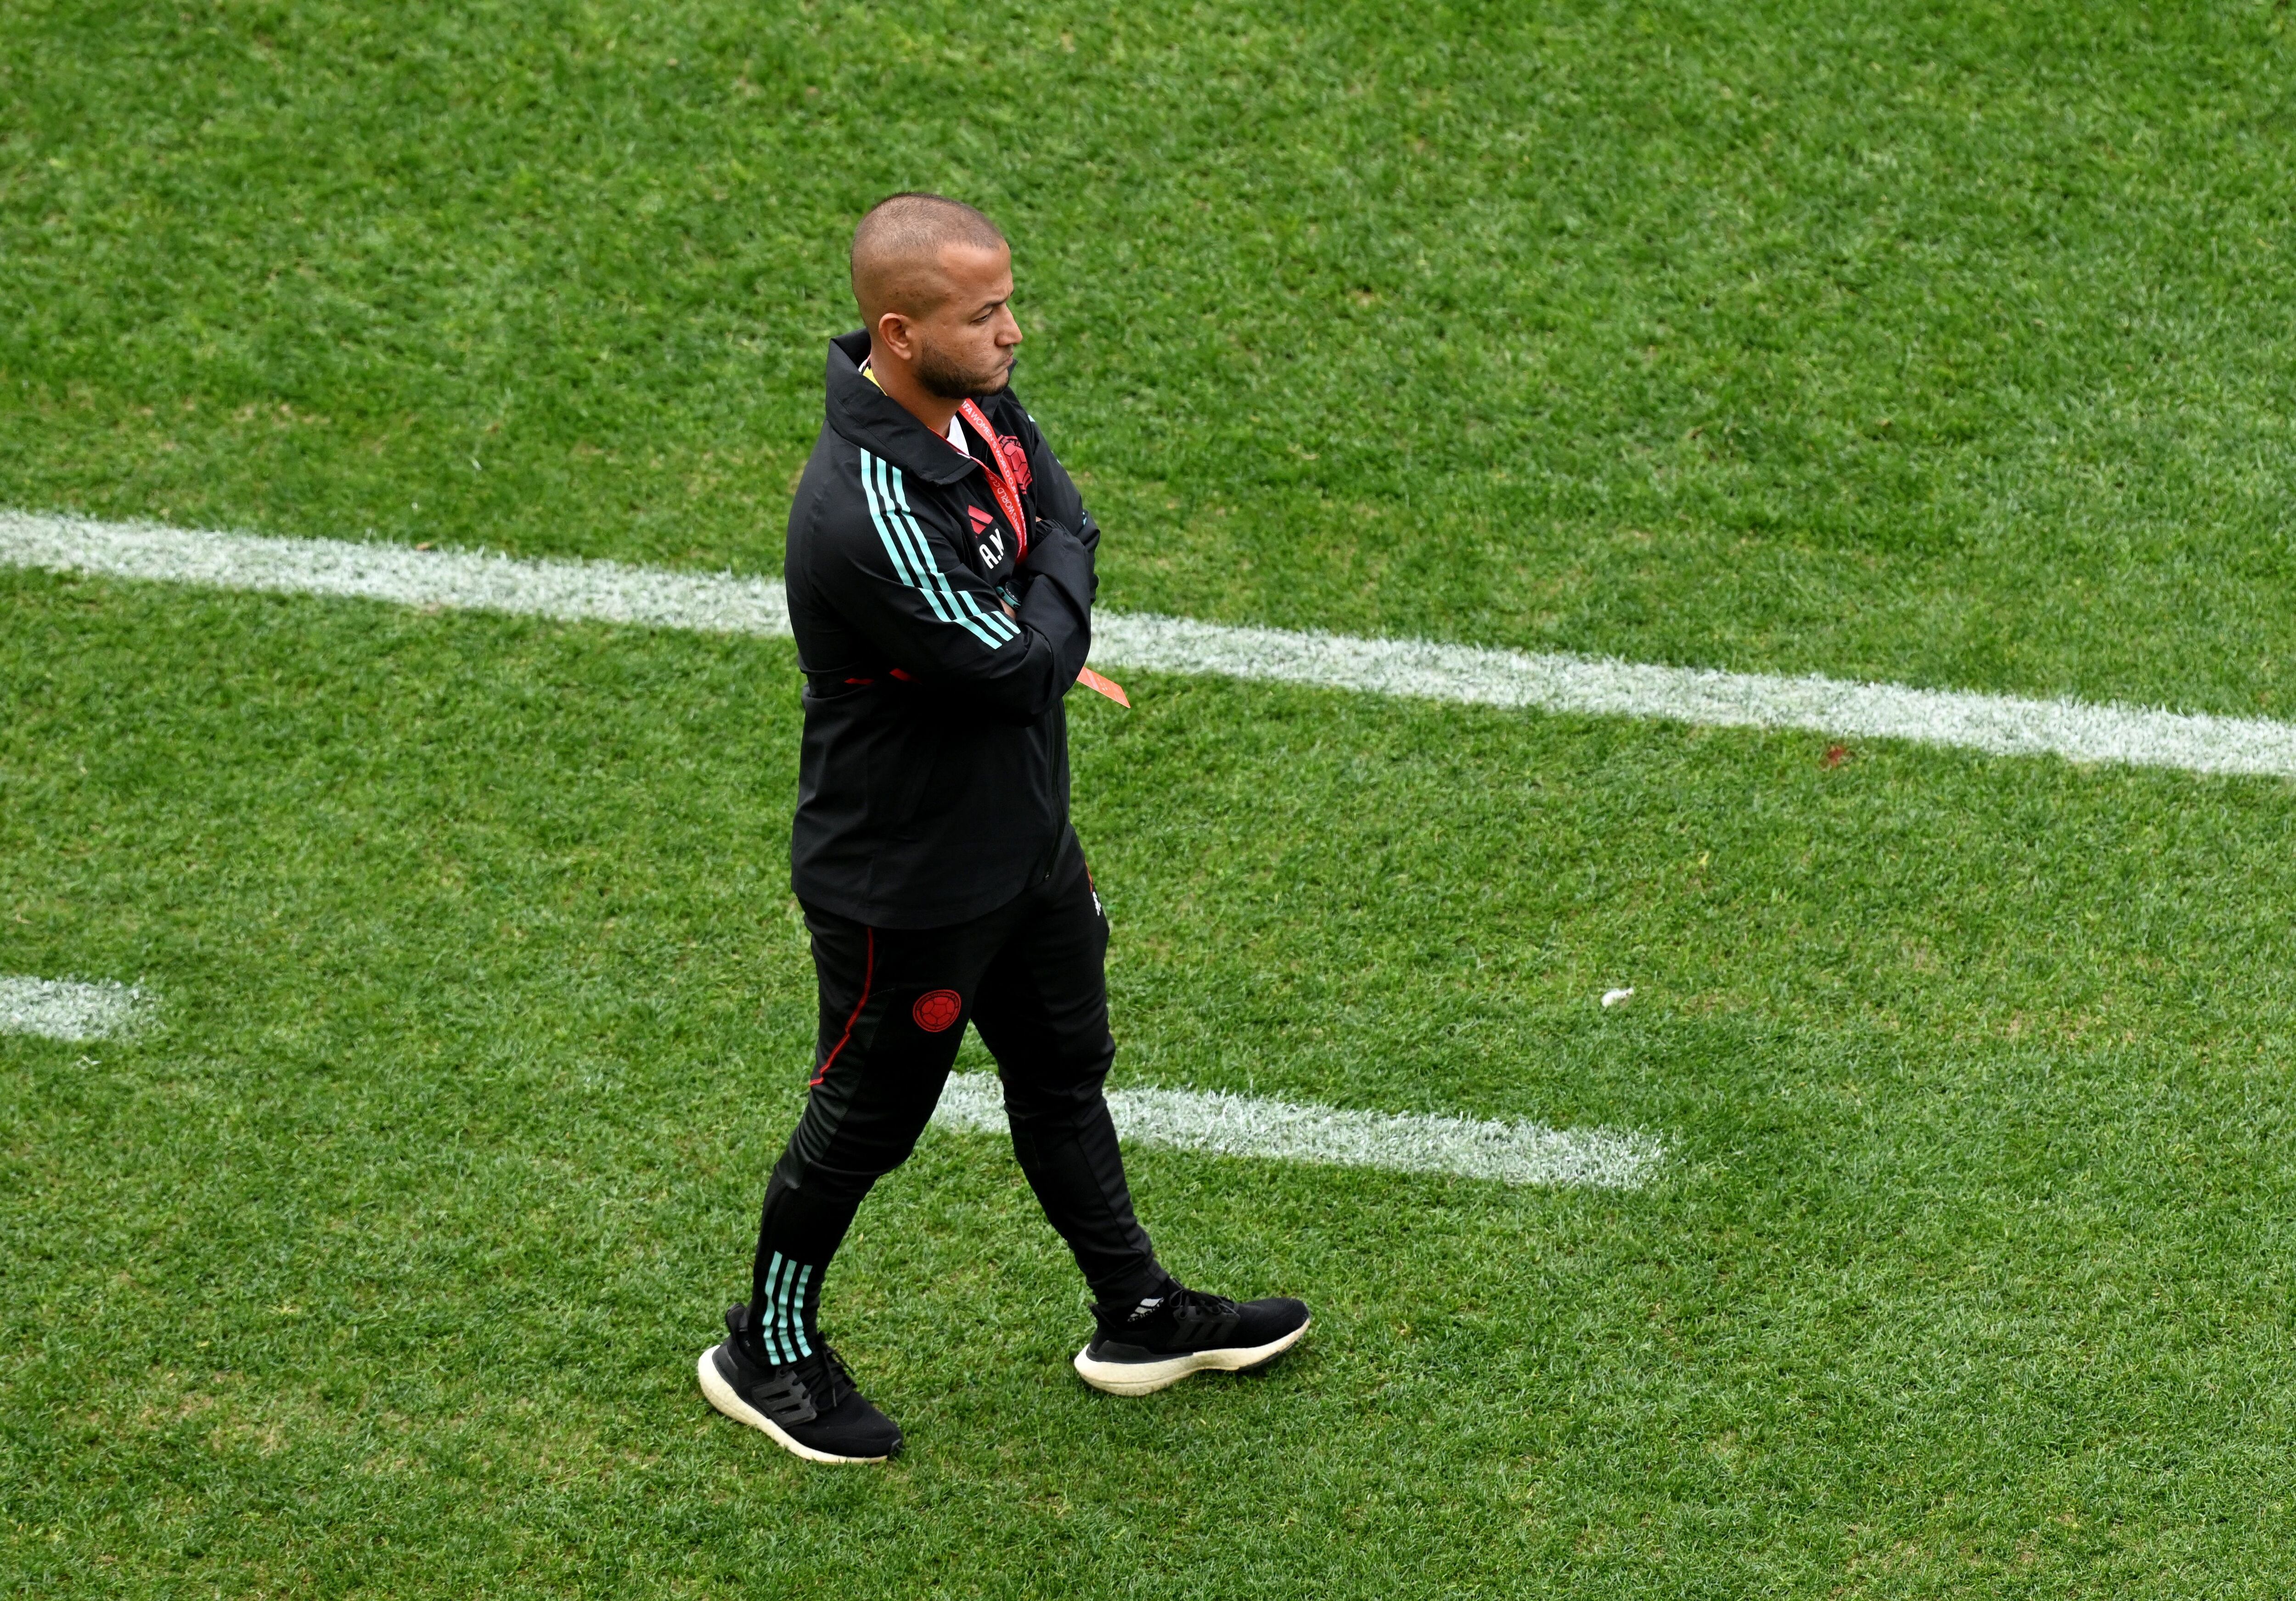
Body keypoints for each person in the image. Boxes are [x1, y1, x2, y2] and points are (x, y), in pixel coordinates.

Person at [696, 193, 1310, 1464]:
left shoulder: (975, 410)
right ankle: (765, 1346)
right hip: (907, 883)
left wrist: (1045, 596)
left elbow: (1067, 524)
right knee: (870, 1119)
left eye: (1008, 304)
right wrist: (1051, 602)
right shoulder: (862, 510)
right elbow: (1029, 660)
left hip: (1024, 843)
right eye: (984, 316)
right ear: (900, 331)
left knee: (1063, 1069)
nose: (1013, 335)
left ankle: (1136, 1312)